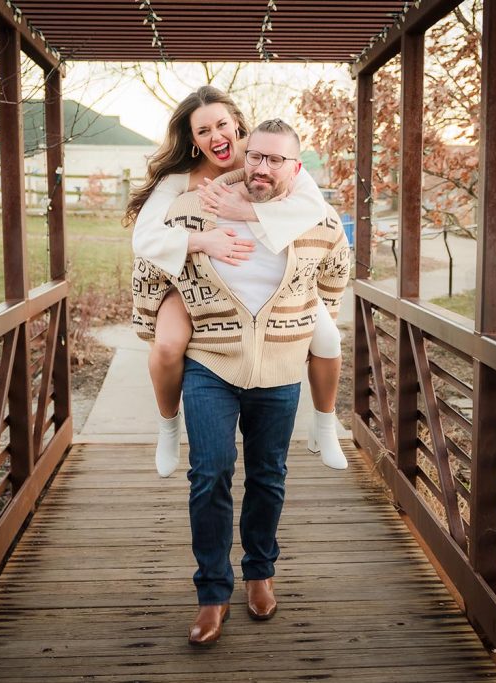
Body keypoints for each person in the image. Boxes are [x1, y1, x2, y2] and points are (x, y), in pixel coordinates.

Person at [132, 119, 351, 646]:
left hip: (278, 368)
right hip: (211, 362)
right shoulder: (193, 206)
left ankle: (259, 574)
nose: (262, 167)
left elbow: (335, 278)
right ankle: (212, 593)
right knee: (209, 472)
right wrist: (159, 324)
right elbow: (149, 270)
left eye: (277, 160)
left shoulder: (315, 219)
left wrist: (302, 322)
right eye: (256, 156)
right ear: (244, 155)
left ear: (296, 168)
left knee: (268, 476)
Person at [123, 86, 347, 478]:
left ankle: (324, 428)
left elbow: (313, 205)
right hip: (198, 280)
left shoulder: (265, 155)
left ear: (237, 124)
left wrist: (244, 210)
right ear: (192, 140)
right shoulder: (181, 179)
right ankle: (167, 426)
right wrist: (201, 240)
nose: (216, 137)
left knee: (328, 339)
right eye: (203, 131)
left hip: (274, 283)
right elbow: (143, 238)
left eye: (222, 125)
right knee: (168, 344)